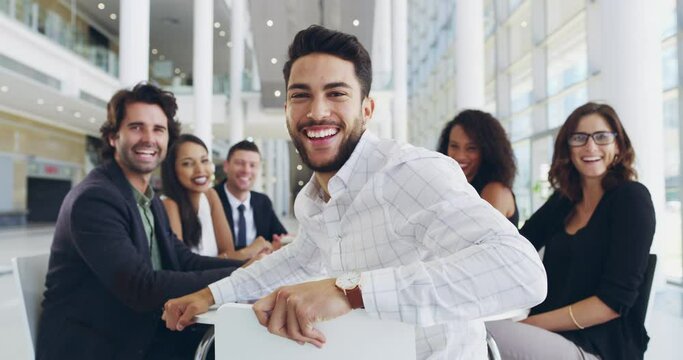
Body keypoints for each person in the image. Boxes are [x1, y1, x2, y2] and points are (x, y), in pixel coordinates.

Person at [162, 25, 547, 360]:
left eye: (336, 94)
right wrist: (210, 295)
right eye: (301, 95)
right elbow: (297, 259)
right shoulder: (315, 198)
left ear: (367, 109)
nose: (316, 112)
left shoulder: (410, 171)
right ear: (286, 110)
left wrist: (350, 291)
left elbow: (522, 272)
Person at [36, 83, 244, 360]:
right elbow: (140, 287)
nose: (149, 138)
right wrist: (241, 277)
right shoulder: (95, 199)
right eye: (136, 127)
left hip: (138, 332)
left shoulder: (147, 198)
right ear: (113, 137)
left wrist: (252, 269)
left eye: (158, 129)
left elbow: (182, 259)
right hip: (96, 346)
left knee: (238, 342)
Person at [486, 102, 656, 360]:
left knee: (480, 335)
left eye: (601, 137)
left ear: (618, 145)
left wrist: (530, 325)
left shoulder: (631, 198)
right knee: (466, 327)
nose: (590, 147)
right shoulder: (564, 201)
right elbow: (519, 246)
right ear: (568, 148)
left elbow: (612, 304)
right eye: (579, 138)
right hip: (551, 337)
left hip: (598, 348)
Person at [161, 134, 272, 260]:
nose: (200, 170)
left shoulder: (210, 196)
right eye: (187, 163)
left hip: (223, 278)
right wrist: (246, 252)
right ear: (173, 170)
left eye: (204, 161)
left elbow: (229, 253)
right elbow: (182, 265)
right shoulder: (169, 204)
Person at [437, 109, 519, 226]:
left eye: (471, 148)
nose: (460, 156)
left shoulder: (495, 190)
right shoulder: (455, 188)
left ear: (487, 151)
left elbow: (479, 239)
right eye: (454, 146)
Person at [214, 140, 288, 250]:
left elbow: (280, 236)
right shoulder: (211, 199)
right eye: (239, 163)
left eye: (253, 165)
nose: (246, 170)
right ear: (226, 166)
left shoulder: (263, 201)